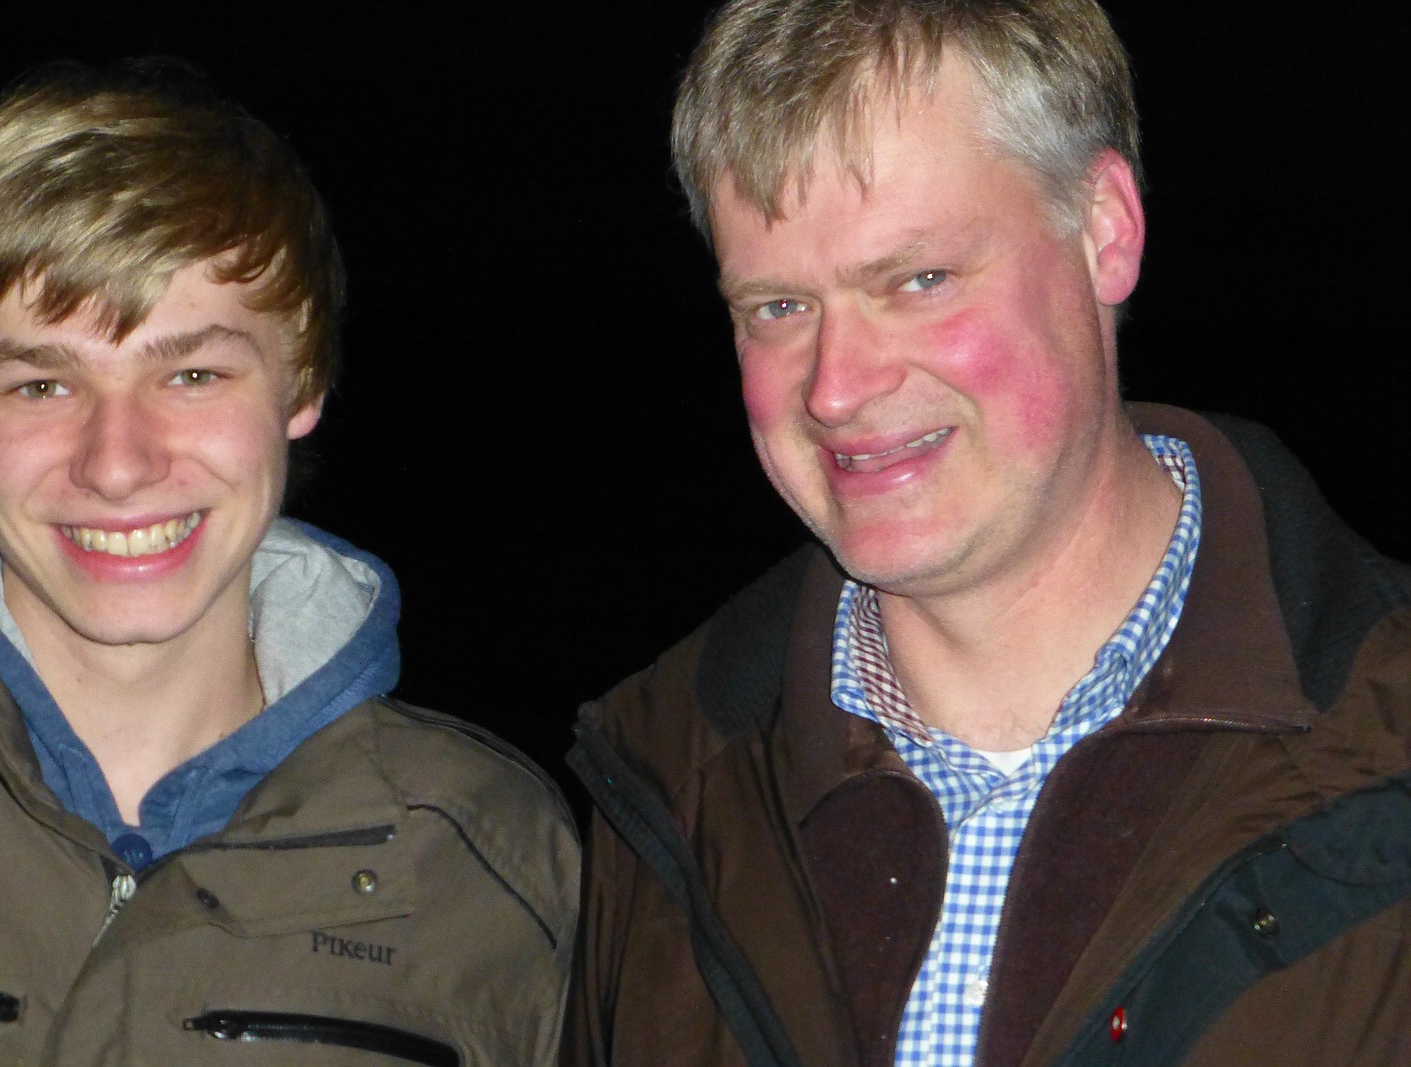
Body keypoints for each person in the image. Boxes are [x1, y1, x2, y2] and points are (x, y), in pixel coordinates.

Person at [565, 2, 1411, 1065]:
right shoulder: (664, 791)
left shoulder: (1383, 742)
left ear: (1103, 230)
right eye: (778, 307)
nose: (835, 388)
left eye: (917, 280)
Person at [0, 59, 576, 1065]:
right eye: (42, 385)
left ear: (300, 387)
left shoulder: (496, 855)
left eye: (193, 373)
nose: (117, 464)